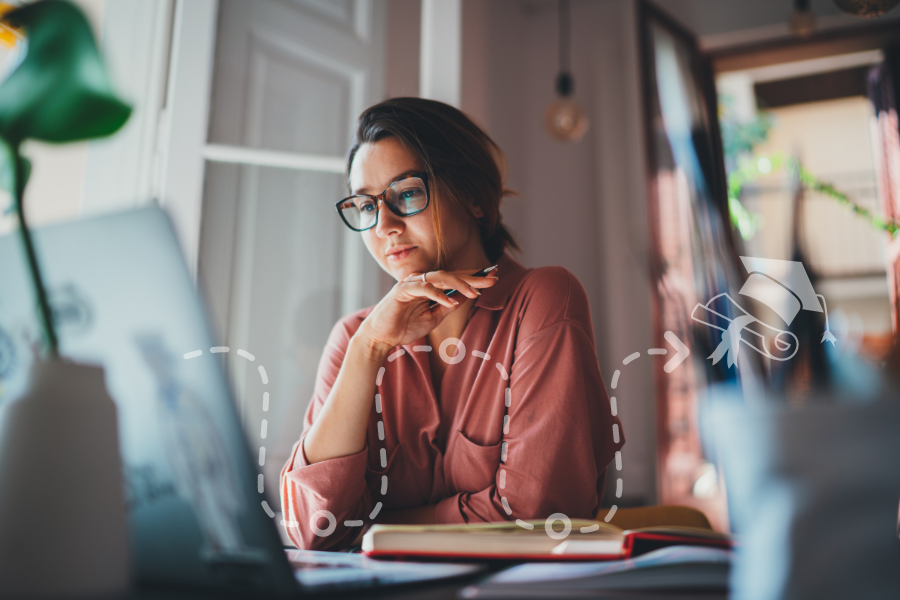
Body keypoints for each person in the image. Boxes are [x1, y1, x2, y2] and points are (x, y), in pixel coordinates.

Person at [280, 97, 624, 551]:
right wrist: (368, 350)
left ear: (475, 198)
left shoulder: (543, 301)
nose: (383, 225)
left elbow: (537, 517)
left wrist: (370, 529)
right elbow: (311, 530)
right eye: (365, 206)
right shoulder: (354, 338)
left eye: (406, 193)